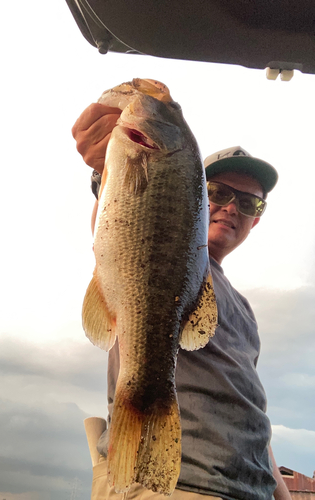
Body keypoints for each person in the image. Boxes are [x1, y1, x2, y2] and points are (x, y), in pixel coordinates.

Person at [72, 103, 291, 500]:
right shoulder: (148, 249)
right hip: (174, 486)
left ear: (256, 219)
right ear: (188, 189)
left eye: (249, 203)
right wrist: (108, 169)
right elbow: (119, 225)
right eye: (219, 192)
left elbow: (251, 410)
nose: (231, 207)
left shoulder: (244, 310)